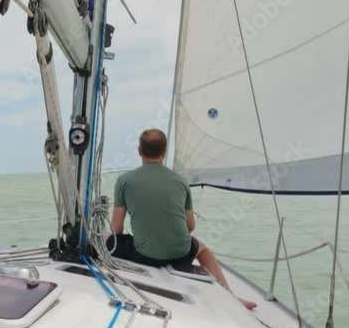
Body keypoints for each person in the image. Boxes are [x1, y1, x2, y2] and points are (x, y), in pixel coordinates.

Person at [107, 128, 257, 310]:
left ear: (139, 151)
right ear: (165, 152)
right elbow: (190, 226)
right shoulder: (180, 181)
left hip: (143, 257)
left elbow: (116, 230)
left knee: (106, 236)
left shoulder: (124, 180)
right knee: (203, 250)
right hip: (180, 255)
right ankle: (232, 297)